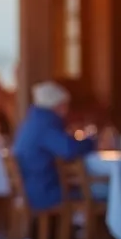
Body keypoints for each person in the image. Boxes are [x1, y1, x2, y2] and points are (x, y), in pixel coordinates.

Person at [12, 81, 99, 212]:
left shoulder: (31, 121)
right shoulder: (45, 124)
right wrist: (92, 142)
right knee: (103, 190)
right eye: (66, 105)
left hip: (31, 189)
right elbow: (69, 150)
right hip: (45, 192)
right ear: (59, 105)